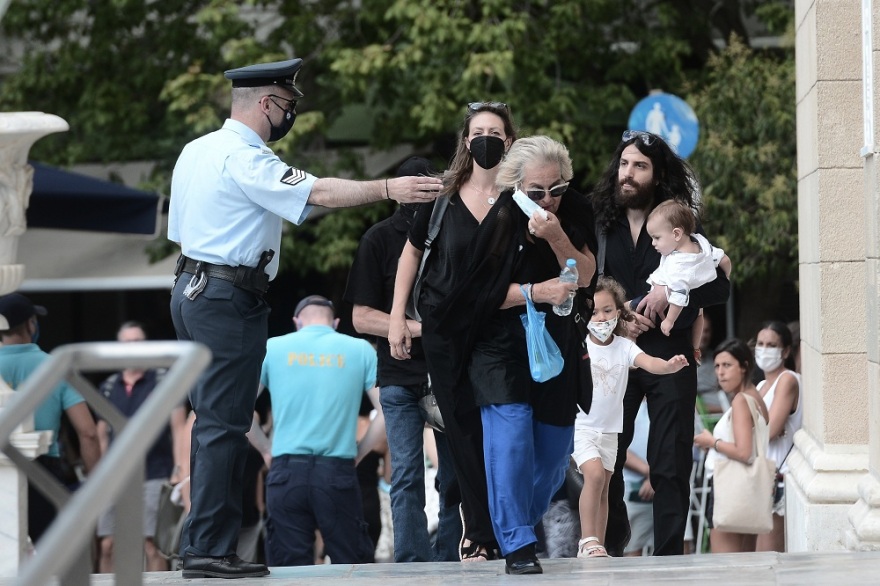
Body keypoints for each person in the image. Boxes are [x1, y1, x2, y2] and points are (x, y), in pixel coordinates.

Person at [167, 57, 441, 579]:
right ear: (267, 102)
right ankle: (208, 549)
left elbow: (181, 232)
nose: (290, 114)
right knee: (224, 425)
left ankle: (202, 544)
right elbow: (318, 192)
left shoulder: (195, 151)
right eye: (288, 104)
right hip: (227, 297)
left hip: (193, 289)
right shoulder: (247, 157)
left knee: (213, 422)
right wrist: (389, 189)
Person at [392, 132, 596, 575]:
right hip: (496, 344)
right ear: (516, 185)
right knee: (511, 437)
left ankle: (515, 522)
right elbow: (474, 295)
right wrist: (536, 291)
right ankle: (517, 542)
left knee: (553, 453)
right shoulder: (501, 217)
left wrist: (556, 236)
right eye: (537, 191)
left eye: (557, 188)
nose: (548, 199)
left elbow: (585, 275)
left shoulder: (574, 209)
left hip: (555, 342)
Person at [388, 101, 518, 566]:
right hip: (444, 330)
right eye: (478, 132)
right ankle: (478, 534)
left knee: (502, 429)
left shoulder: (519, 197)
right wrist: (397, 317)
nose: (486, 140)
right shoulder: (442, 195)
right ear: (466, 140)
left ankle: (509, 527)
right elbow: (411, 252)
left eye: (495, 133)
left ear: (509, 141)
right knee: (461, 430)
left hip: (500, 328)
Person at [591, 129, 730, 556]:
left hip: (671, 353)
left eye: (640, 166)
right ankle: (612, 546)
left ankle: (670, 557)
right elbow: (583, 286)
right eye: (624, 164)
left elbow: (720, 287)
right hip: (615, 354)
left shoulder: (679, 224)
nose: (628, 173)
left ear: (657, 174)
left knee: (670, 459)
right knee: (607, 456)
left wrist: (671, 293)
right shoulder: (601, 223)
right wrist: (621, 317)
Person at [344, 155, 462, 562]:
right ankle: (412, 562)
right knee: (407, 474)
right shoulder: (378, 239)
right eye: (417, 187)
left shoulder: (455, 230)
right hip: (399, 373)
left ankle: (452, 557)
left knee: (455, 476)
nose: (422, 194)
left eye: (430, 187)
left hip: (449, 372)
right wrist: (419, 328)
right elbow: (361, 318)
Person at [254, 295, 380, 566]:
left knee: (288, 570)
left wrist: (266, 449)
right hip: (337, 470)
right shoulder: (361, 350)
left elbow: (236, 410)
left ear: (297, 322)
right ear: (335, 323)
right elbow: (387, 413)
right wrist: (359, 452)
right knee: (352, 566)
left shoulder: (271, 348)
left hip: (286, 471)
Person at [573, 277, 687, 558]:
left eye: (608, 310)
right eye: (594, 312)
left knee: (604, 488)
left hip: (610, 431)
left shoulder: (624, 347)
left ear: (619, 312)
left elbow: (649, 362)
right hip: (582, 428)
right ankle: (587, 540)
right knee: (594, 476)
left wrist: (669, 366)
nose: (601, 318)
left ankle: (598, 545)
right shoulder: (579, 344)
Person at [0, 293, 100, 545]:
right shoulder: (56, 367)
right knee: (49, 554)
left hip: (2, 465)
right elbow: (88, 432)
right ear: (31, 324)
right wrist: (96, 485)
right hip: (43, 472)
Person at [95, 321, 188, 572]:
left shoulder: (164, 380)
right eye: (127, 342)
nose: (133, 347)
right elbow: (101, 434)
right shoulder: (108, 387)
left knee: (152, 545)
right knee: (108, 544)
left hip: (155, 472)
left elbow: (179, 429)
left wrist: (179, 470)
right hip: (115, 477)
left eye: (138, 341)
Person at [693, 338, 770, 553]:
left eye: (727, 365)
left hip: (730, 488)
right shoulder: (756, 397)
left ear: (744, 366)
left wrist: (712, 442)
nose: (720, 372)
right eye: (717, 366)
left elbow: (744, 452)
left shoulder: (740, 401)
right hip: (748, 489)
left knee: (725, 565)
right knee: (746, 561)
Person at [644, 199, 731, 342]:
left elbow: (679, 296)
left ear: (676, 234)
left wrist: (669, 321)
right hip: (698, 304)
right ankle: (696, 349)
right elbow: (724, 259)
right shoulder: (700, 242)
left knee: (631, 308)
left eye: (656, 238)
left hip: (668, 307)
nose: (653, 243)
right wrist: (726, 276)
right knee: (699, 316)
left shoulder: (679, 267)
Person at [753, 321, 802, 552]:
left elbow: (769, 432)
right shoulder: (762, 385)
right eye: (760, 343)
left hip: (778, 477)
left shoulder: (788, 379)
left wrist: (761, 428)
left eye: (771, 345)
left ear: (786, 351)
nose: (764, 349)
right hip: (760, 476)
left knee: (769, 555)